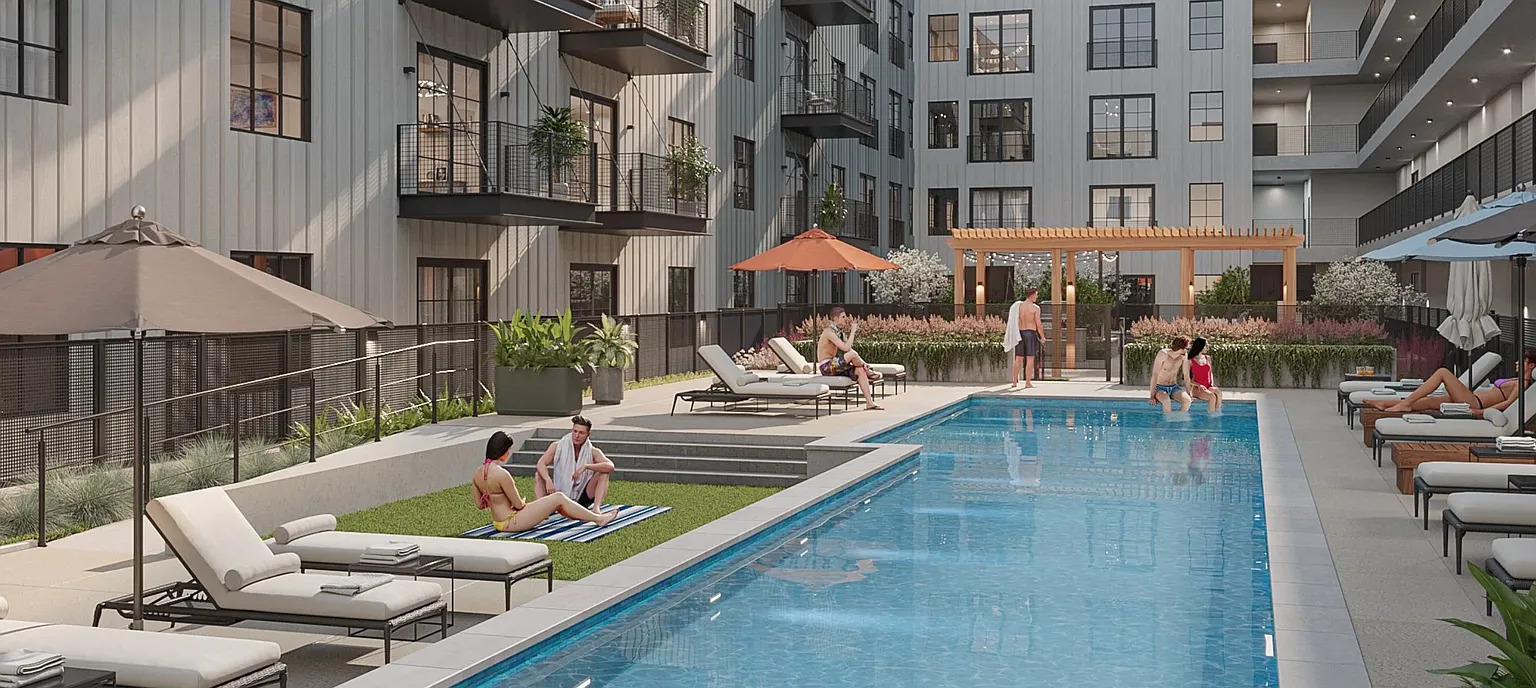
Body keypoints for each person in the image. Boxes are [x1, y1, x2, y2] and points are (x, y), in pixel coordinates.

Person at [473, 431, 616, 533]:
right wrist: (522, 502)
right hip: (511, 522)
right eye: (509, 450)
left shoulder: (478, 473)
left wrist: (495, 499)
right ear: (504, 451)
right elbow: (518, 505)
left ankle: (592, 517)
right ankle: (598, 519)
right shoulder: (502, 474)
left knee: (558, 502)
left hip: (498, 522)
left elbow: (480, 505)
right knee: (558, 497)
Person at [1367, 350, 1536, 415]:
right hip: (1472, 397)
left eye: (1522, 361)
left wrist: (1480, 412)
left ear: (1531, 365)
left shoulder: (1523, 384)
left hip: (1474, 403)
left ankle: (1405, 403)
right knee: (1428, 402)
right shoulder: (1517, 379)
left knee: (1443, 372)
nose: (1516, 363)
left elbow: (1507, 404)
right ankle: (1385, 403)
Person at [534, 416, 615, 511]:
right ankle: (541, 509)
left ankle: (596, 508)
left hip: (583, 495)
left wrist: (587, 466)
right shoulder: (557, 446)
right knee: (538, 474)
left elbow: (610, 466)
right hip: (559, 493)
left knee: (604, 473)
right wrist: (548, 480)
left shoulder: (593, 451)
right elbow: (541, 463)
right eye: (575, 431)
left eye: (581, 433)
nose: (576, 435)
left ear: (588, 434)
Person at [817, 306, 884, 411]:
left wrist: (863, 363)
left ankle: (869, 403)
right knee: (852, 355)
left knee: (860, 370)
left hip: (835, 365)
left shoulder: (838, 332)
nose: (846, 319)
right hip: (827, 367)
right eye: (843, 317)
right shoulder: (829, 332)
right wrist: (853, 331)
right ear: (835, 318)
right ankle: (868, 370)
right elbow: (846, 348)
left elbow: (849, 350)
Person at [1003, 288, 1044, 389]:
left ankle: (1014, 382)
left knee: (1018, 358)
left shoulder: (1019, 306)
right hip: (1030, 333)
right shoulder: (1035, 308)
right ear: (1032, 295)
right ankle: (1027, 383)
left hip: (1020, 333)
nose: (1037, 297)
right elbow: (1038, 324)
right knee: (1030, 358)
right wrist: (1042, 336)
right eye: (1036, 295)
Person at [1148, 336, 1194, 413]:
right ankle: (1168, 422)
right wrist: (1152, 396)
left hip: (1174, 387)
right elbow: (1155, 375)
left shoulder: (1183, 356)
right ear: (1181, 347)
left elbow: (1186, 375)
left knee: (1187, 401)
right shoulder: (1163, 354)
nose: (1188, 350)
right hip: (1160, 388)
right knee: (1166, 401)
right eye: (1187, 348)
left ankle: (1178, 419)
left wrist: (1189, 393)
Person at [1186, 337, 1223, 412]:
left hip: (1208, 386)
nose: (1207, 347)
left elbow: (1210, 372)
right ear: (1200, 346)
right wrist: (1198, 385)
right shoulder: (1190, 361)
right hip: (1198, 389)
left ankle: (1217, 413)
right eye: (1206, 345)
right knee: (1212, 397)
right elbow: (1187, 379)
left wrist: (1212, 383)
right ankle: (1211, 418)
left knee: (1218, 393)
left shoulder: (1208, 358)